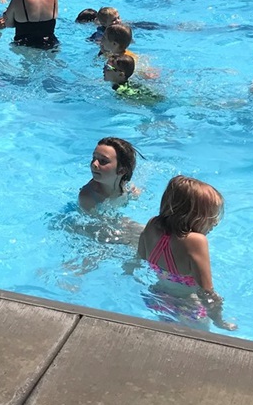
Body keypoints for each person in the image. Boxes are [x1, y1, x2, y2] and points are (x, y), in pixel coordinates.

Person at [137, 176, 235, 330]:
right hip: (188, 309)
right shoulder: (196, 241)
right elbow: (207, 293)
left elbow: (138, 259)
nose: (215, 222)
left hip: (157, 299)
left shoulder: (152, 225)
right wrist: (219, 321)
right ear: (193, 215)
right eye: (211, 216)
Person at [78, 137, 139, 213]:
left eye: (103, 161)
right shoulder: (87, 197)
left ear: (121, 171)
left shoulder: (127, 187)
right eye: (94, 158)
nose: (94, 164)